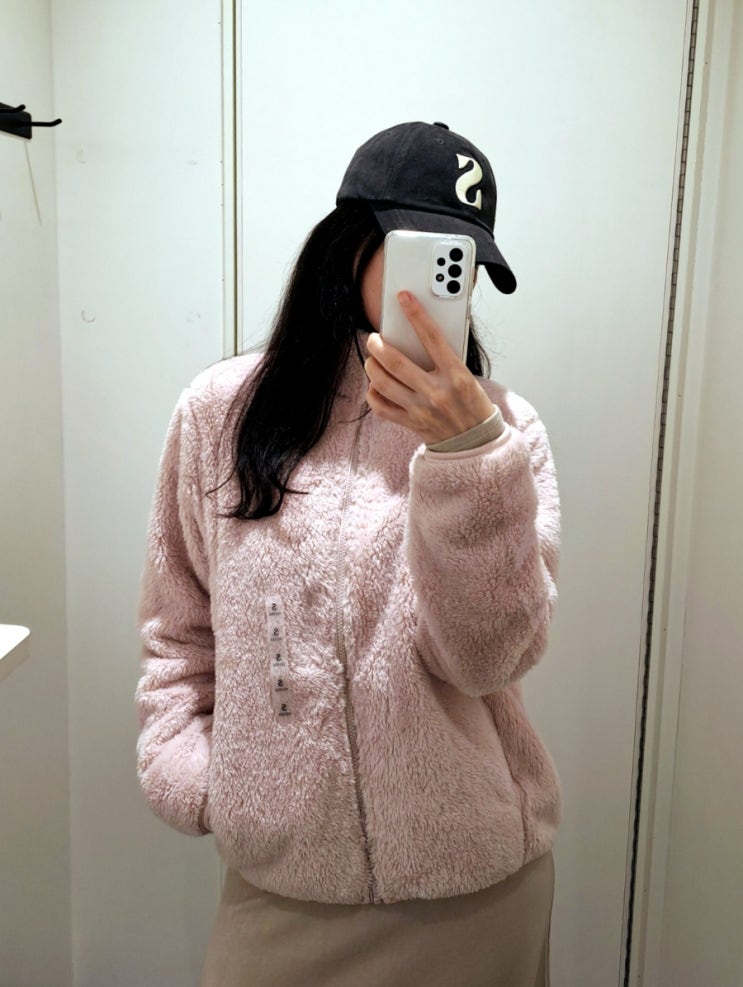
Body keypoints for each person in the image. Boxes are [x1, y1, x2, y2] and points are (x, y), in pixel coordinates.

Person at [135, 121, 562, 987]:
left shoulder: (505, 432)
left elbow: (485, 662)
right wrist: (208, 783)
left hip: (474, 898)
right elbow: (177, 631)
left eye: (462, 264)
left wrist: (467, 453)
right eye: (423, 254)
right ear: (351, 244)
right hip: (282, 897)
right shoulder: (219, 414)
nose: (443, 287)